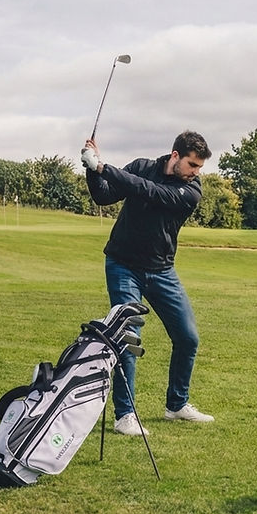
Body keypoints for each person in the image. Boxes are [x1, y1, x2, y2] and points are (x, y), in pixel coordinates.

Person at [81, 131, 215, 436]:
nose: (196, 172)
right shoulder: (142, 166)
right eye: (193, 164)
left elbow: (150, 192)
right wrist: (91, 168)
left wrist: (103, 167)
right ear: (175, 155)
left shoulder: (191, 191)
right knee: (129, 338)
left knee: (188, 338)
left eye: (199, 167)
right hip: (123, 266)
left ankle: (177, 405)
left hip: (162, 271)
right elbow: (104, 195)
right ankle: (124, 416)